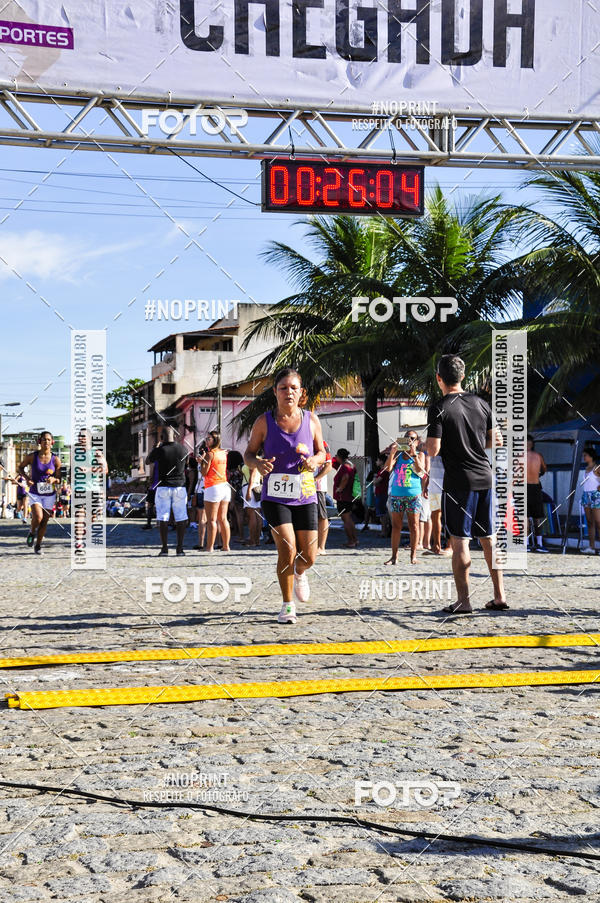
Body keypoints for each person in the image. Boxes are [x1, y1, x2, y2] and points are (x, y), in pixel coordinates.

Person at [426, 354, 507, 614]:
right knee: (489, 540)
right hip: (485, 476)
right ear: (463, 376)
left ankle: (464, 601)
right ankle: (500, 596)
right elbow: (498, 441)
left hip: (459, 481)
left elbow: (434, 450)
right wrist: (473, 444)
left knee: (460, 541)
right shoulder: (481, 404)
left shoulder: (439, 407)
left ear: (439, 378)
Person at [244, 367, 325, 624]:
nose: (288, 392)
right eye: (283, 388)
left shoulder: (311, 420)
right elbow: (248, 454)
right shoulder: (263, 422)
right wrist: (257, 464)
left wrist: (314, 461)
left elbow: (322, 453)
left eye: (293, 388)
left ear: (302, 393)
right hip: (275, 495)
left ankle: (300, 572)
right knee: (287, 549)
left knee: (309, 557)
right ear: (275, 392)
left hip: (305, 493)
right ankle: (287, 604)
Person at [384, 431, 426, 565]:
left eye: (412, 438)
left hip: (413, 495)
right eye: (406, 438)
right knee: (396, 526)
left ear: (417, 442)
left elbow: (421, 471)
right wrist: (392, 452)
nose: (409, 440)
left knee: (414, 526)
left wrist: (413, 454)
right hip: (397, 494)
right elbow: (387, 468)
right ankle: (394, 557)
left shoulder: (420, 455)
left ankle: (413, 556)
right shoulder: (399, 455)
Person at [146, 425, 188, 556]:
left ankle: (164, 549)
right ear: (175, 436)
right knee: (181, 518)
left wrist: (155, 447)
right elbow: (185, 465)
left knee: (163, 518)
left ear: (162, 437)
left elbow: (148, 461)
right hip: (180, 486)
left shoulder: (160, 450)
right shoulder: (183, 449)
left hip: (163, 486)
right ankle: (179, 549)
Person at [18, 431, 62, 555]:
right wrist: (27, 479)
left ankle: (38, 545)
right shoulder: (32, 456)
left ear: (52, 443)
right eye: (44, 439)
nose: (46, 442)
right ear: (39, 442)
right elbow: (20, 467)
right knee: (38, 517)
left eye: (48, 440)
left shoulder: (56, 460)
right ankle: (32, 532)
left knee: (44, 521)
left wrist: (54, 479)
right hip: (35, 493)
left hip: (49, 494)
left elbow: (59, 478)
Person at [199, 430, 231, 553]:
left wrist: (201, 462)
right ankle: (226, 546)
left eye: (209, 439)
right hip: (224, 485)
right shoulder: (223, 453)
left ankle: (209, 547)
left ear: (214, 440)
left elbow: (204, 472)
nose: (206, 441)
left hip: (213, 486)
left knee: (211, 519)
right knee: (223, 518)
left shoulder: (210, 454)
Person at [423, 452, 452, 556]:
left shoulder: (448, 447)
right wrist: (426, 484)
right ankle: (436, 546)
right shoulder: (433, 449)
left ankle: (450, 546)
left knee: (449, 517)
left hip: (446, 486)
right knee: (434, 516)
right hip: (433, 486)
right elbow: (431, 469)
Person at [526, 435, 549, 553]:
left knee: (525, 518)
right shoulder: (538, 456)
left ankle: (526, 544)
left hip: (523, 487)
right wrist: (537, 474)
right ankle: (539, 543)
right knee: (537, 517)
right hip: (535, 487)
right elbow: (544, 469)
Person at [333, 448, 358, 548]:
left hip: (343, 497)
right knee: (349, 519)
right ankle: (355, 539)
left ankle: (351, 541)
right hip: (349, 495)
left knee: (345, 519)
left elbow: (345, 477)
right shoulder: (352, 465)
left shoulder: (344, 467)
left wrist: (340, 488)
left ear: (339, 457)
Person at [580, 446, 600, 554]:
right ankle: (591, 547)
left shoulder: (597, 468)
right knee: (590, 522)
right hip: (586, 496)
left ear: (591, 456)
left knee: (598, 522)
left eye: (585, 455)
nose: (584, 457)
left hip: (596, 496)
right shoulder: (586, 468)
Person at [315, 441, 333, 554]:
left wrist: (315, 479)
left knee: (321, 516)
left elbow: (328, 465)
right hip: (302, 487)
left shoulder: (322, 443)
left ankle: (321, 547)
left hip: (317, 487)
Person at [227, 450, 245, 542]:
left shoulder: (233, 472)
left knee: (239, 514)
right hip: (243, 491)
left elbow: (233, 486)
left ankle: (241, 535)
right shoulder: (242, 468)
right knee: (237, 514)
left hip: (237, 493)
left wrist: (232, 500)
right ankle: (237, 532)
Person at [242, 465, 263, 547]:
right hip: (258, 487)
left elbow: (252, 475)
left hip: (250, 487)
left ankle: (252, 540)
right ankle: (257, 540)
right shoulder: (260, 460)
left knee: (251, 515)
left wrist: (248, 491)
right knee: (257, 514)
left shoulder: (252, 461)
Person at [373, 452, 390, 537]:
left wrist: (375, 481)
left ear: (382, 461)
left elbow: (376, 481)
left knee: (383, 514)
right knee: (381, 514)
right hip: (380, 493)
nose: (376, 462)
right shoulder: (381, 471)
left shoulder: (384, 471)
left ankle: (384, 531)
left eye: (378, 460)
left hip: (382, 494)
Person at [142, 461, 159, 530]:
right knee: (160, 506)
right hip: (163, 487)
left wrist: (150, 482)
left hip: (154, 487)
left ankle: (149, 523)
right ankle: (159, 523)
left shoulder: (155, 462)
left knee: (150, 505)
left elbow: (151, 473)